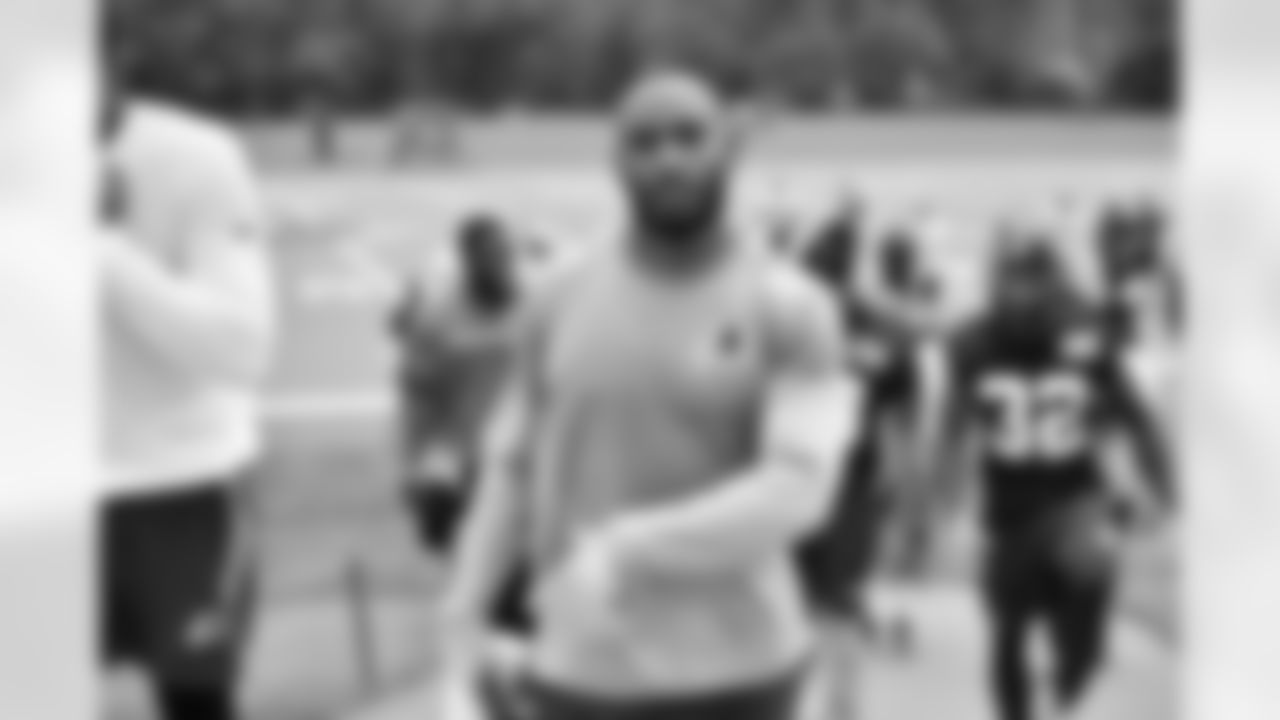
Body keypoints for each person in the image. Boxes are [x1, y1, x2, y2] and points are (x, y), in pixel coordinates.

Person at [435, 68, 859, 720]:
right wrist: (460, 622)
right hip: (582, 672)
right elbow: (510, 469)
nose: (669, 159)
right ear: (615, 160)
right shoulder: (556, 297)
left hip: (741, 673)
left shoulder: (794, 306)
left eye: (689, 137)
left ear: (726, 148)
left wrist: (623, 549)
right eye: (645, 142)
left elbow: (800, 490)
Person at [935, 229, 1170, 720]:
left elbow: (1135, 415)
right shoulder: (972, 342)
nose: (1023, 292)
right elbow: (953, 425)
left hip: (1075, 499)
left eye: (1033, 278)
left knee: (1083, 631)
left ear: (1053, 280)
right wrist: (940, 494)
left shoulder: (1084, 336)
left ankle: (1065, 689)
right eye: (1014, 278)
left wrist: (1163, 483)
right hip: (1009, 509)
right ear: (997, 280)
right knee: (1008, 629)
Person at [100, 88, 275, 720]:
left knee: (198, 704)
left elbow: (241, 348)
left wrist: (98, 247)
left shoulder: (193, 157)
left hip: (181, 487)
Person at [390, 211, 533, 633]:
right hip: (474, 471)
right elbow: (417, 403)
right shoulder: (438, 318)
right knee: (495, 591)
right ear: (468, 262)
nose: (500, 266)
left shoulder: (540, 301)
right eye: (489, 258)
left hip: (537, 462)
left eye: (505, 255)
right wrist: (414, 471)